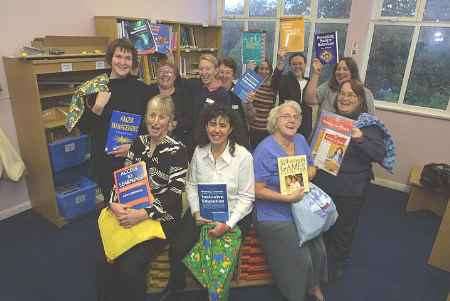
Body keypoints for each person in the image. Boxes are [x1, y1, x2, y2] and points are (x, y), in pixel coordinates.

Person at [96, 95, 188, 301]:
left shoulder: (178, 150)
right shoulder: (137, 143)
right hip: (129, 212)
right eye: (152, 115)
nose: (155, 122)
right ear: (146, 118)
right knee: (105, 258)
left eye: (162, 117)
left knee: (130, 264)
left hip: (162, 218)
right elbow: (122, 180)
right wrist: (113, 204)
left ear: (170, 122)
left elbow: (175, 193)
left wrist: (143, 214)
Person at [161, 103, 254, 301]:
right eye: (212, 124)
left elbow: (247, 198)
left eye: (222, 125)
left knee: (214, 260)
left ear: (231, 129)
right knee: (178, 247)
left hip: (232, 214)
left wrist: (227, 225)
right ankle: (176, 285)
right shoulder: (199, 151)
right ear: (205, 126)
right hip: (202, 211)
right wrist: (195, 212)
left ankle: (210, 291)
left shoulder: (243, 156)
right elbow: (192, 185)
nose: (217, 130)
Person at [253, 101, 327, 301]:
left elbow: (313, 167)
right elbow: (256, 189)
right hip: (272, 212)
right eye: (286, 116)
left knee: (318, 248)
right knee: (300, 257)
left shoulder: (301, 140)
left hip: (300, 206)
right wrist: (285, 196)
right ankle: (295, 295)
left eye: (296, 116)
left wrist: (304, 175)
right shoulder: (264, 149)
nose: (292, 120)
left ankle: (313, 285)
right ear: (275, 121)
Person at [313, 79, 386, 281]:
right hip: (324, 183)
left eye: (351, 95)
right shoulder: (329, 120)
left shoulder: (369, 124)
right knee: (321, 227)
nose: (345, 98)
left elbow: (379, 154)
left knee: (343, 230)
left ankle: (336, 266)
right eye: (342, 94)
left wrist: (360, 137)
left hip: (350, 189)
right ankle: (317, 263)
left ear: (360, 99)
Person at [74, 38, 152, 203]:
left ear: (133, 62)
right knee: (113, 207)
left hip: (134, 158)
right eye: (118, 56)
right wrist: (97, 108)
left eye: (128, 58)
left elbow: (150, 126)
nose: (122, 62)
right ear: (110, 58)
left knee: (134, 205)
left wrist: (133, 147)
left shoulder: (142, 90)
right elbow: (84, 128)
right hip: (105, 162)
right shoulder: (94, 88)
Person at [148, 62, 194, 154]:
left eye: (169, 72)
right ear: (156, 75)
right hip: (151, 143)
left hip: (178, 142)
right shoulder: (148, 92)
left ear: (175, 76)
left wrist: (174, 124)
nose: (165, 75)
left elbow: (190, 119)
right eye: (161, 72)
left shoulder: (184, 95)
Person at [304, 57, 376, 115]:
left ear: (353, 72)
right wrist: (316, 73)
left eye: (345, 69)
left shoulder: (365, 93)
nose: (341, 72)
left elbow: (371, 121)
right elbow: (309, 100)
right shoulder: (328, 87)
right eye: (338, 69)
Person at [273, 50, 314, 140]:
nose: (297, 66)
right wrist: (280, 61)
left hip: (305, 125)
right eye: (294, 64)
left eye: (300, 63)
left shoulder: (310, 82)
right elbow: (275, 83)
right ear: (290, 66)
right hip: (287, 123)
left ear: (305, 64)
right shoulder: (284, 80)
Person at [244, 59, 278, 149]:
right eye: (261, 68)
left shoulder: (273, 87)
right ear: (257, 70)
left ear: (270, 71)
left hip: (268, 130)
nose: (264, 71)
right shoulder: (252, 85)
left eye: (266, 69)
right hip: (252, 129)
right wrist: (249, 71)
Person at [218, 57, 250, 147]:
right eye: (221, 72)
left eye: (228, 72)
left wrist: (248, 103)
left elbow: (250, 117)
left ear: (233, 75)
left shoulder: (240, 91)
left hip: (238, 141)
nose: (224, 75)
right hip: (217, 139)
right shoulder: (213, 91)